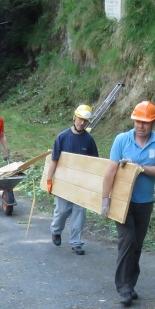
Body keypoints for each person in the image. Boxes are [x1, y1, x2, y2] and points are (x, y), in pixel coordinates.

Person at [101, 101, 155, 307]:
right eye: (138, 121)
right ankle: (123, 288)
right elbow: (110, 171)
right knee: (127, 240)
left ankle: (130, 284)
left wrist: (138, 167)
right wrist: (105, 200)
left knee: (137, 245)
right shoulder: (121, 140)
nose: (141, 126)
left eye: (146, 122)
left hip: (145, 201)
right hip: (122, 201)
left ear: (153, 123)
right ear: (133, 120)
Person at [47, 104, 99, 256]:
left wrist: (92, 184)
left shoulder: (89, 140)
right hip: (63, 182)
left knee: (79, 212)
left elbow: (94, 163)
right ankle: (56, 231)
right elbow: (54, 159)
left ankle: (76, 243)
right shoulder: (62, 137)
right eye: (80, 119)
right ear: (74, 117)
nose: (81, 123)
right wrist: (49, 180)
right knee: (62, 210)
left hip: (81, 184)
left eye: (85, 121)